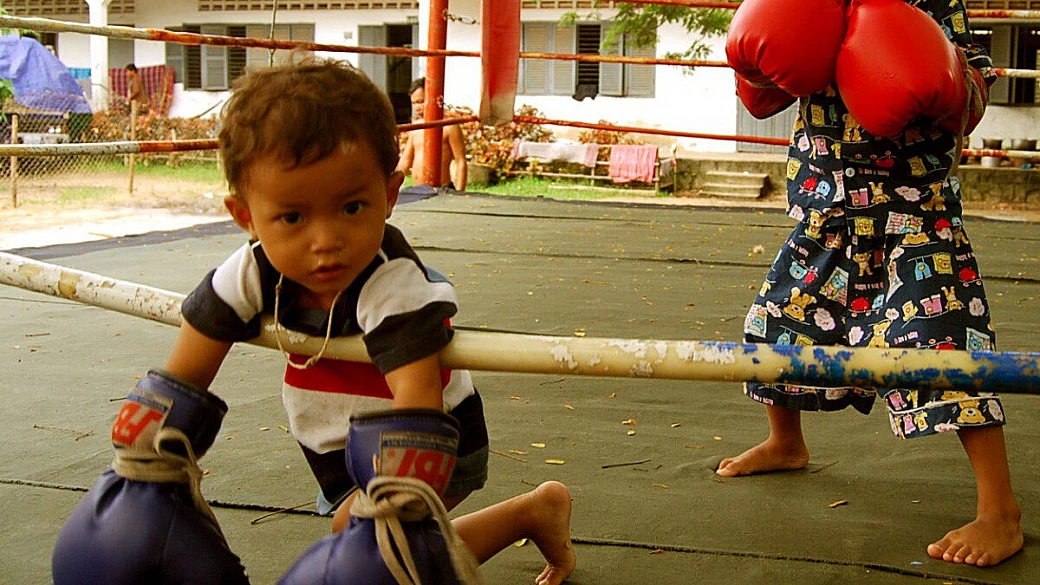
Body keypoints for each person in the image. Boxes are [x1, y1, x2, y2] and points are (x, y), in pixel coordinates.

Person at [722, 0, 1022, 568]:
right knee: (775, 323)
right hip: (826, 217)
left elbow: (975, 84)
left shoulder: (928, 0)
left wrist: (947, 74)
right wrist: (757, 61)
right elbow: (766, 92)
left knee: (944, 348)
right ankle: (787, 445)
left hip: (915, 219)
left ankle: (999, 510)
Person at [396, 77, 468, 192]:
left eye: (421, 101)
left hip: (442, 188)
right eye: (414, 103)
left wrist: (460, 192)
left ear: (432, 98)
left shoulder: (449, 126)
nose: (417, 107)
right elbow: (405, 162)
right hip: (418, 190)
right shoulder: (416, 127)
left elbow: (461, 161)